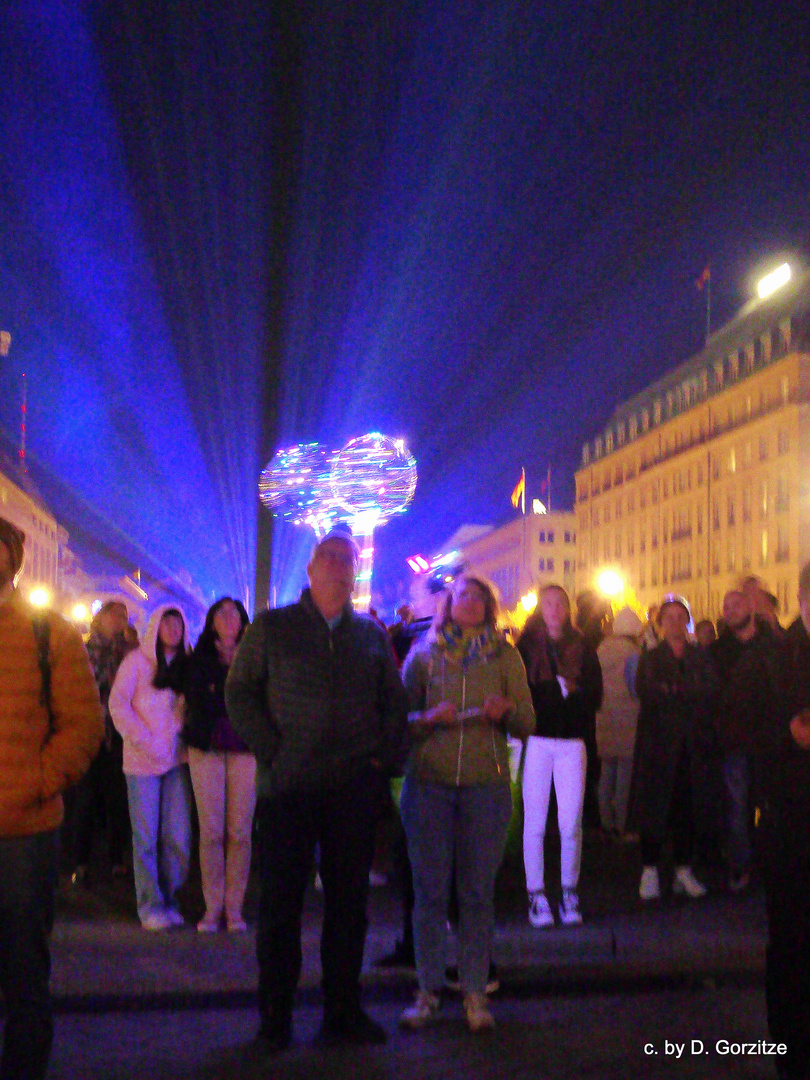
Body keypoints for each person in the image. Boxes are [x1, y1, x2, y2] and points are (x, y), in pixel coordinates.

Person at [225, 528, 409, 1052]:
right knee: (281, 905)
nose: (336, 565)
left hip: (352, 788)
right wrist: (272, 751)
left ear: (354, 573)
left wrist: (382, 762)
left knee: (349, 906)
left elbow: (393, 704)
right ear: (310, 570)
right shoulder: (273, 628)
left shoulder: (370, 635)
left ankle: (343, 1012)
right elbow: (240, 693)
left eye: (345, 559)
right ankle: (275, 1019)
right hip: (290, 786)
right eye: (327, 556)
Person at [397, 574, 533, 1033]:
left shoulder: (505, 654)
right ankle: (429, 990)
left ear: (490, 607)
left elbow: (528, 721)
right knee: (430, 893)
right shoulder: (425, 653)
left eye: (479, 596)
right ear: (448, 604)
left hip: (484, 787)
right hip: (430, 784)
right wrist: (425, 718)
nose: (470, 602)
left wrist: (508, 711)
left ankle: (474, 991)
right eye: (462, 595)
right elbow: (398, 718)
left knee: (477, 893)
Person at [0, 516, 103, 1079]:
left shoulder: (50, 634)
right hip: (26, 821)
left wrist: (36, 783)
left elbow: (84, 726)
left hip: (26, 832)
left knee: (23, 969)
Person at [728, 561, 810, 1079]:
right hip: (793, 820)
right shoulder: (772, 657)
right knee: (794, 943)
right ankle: (793, 1053)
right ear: (804, 600)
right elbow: (739, 729)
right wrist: (789, 734)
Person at [518, 584, 603, 929]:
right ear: (540, 608)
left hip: (571, 741)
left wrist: (565, 694)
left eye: (560, 604)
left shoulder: (582, 646)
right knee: (535, 823)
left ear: (567, 610)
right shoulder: (525, 646)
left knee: (570, 824)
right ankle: (536, 894)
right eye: (548, 604)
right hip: (537, 739)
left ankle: (569, 891)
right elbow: (521, 692)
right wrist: (559, 691)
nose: (554, 609)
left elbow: (595, 695)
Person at [109, 605, 193, 930]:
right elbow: (118, 704)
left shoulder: (187, 665)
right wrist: (143, 738)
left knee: (177, 837)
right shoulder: (136, 663)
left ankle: (170, 899)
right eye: (167, 621)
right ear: (156, 626)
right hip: (141, 763)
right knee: (145, 837)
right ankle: (150, 905)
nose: (173, 628)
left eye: (178, 622)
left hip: (177, 760)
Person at [633, 595, 719, 901]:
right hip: (659, 747)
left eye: (680, 616)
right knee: (655, 806)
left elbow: (709, 691)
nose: (675, 622)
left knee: (687, 808)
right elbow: (647, 692)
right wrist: (681, 691)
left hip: (692, 747)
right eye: (668, 617)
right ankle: (650, 869)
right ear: (660, 624)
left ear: (688, 620)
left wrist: (675, 690)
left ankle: (684, 869)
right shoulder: (651, 657)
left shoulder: (701, 656)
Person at [184, 597, 255, 932]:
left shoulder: (255, 656)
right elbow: (198, 700)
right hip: (207, 748)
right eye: (222, 613)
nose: (229, 618)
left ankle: (234, 907)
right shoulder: (199, 658)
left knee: (239, 832)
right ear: (212, 621)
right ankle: (212, 907)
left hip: (245, 749)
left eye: (235, 613)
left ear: (243, 621)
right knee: (211, 831)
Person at [68, 601, 136, 883]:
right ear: (102, 616)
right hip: (89, 732)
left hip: (118, 737)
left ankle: (116, 858)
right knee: (84, 801)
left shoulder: (128, 652)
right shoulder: (83, 648)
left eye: (124, 616)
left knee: (117, 800)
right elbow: (76, 685)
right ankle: (80, 862)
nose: (120, 620)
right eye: (116, 614)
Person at [710, 589, 767, 892]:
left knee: (769, 804)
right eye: (726, 606)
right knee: (737, 805)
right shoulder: (719, 651)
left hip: (768, 739)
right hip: (735, 740)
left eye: (736, 605)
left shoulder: (770, 646)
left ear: (750, 608)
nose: (730, 611)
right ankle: (741, 865)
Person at [595, 606, 642, 840]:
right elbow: (636, 688)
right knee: (625, 777)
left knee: (607, 772)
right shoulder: (633, 652)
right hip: (627, 720)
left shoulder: (602, 648)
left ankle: (605, 820)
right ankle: (623, 825)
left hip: (604, 718)